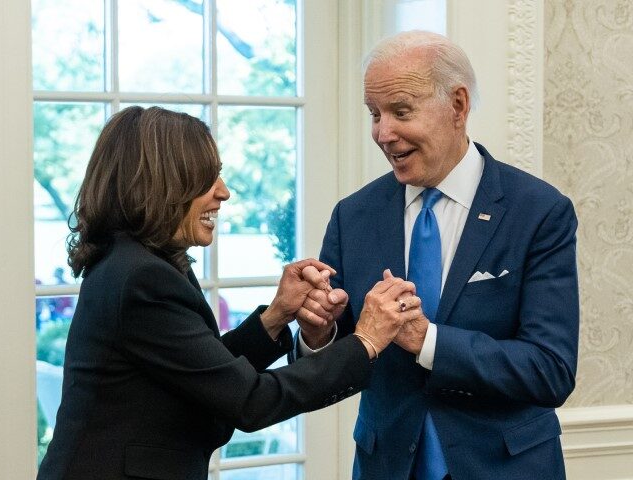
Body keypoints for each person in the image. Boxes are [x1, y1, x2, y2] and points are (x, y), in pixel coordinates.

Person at [36, 106, 423, 480]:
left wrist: (276, 316)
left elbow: (202, 370)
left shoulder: (142, 264)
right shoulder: (142, 279)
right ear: (164, 182)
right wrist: (366, 341)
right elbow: (250, 401)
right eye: (208, 178)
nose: (224, 193)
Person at [293, 31, 579, 480]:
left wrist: (428, 341)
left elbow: (551, 370)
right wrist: (317, 333)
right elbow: (332, 369)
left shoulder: (539, 212)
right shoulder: (354, 216)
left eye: (401, 111)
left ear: (458, 106)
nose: (383, 134)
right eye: (374, 114)